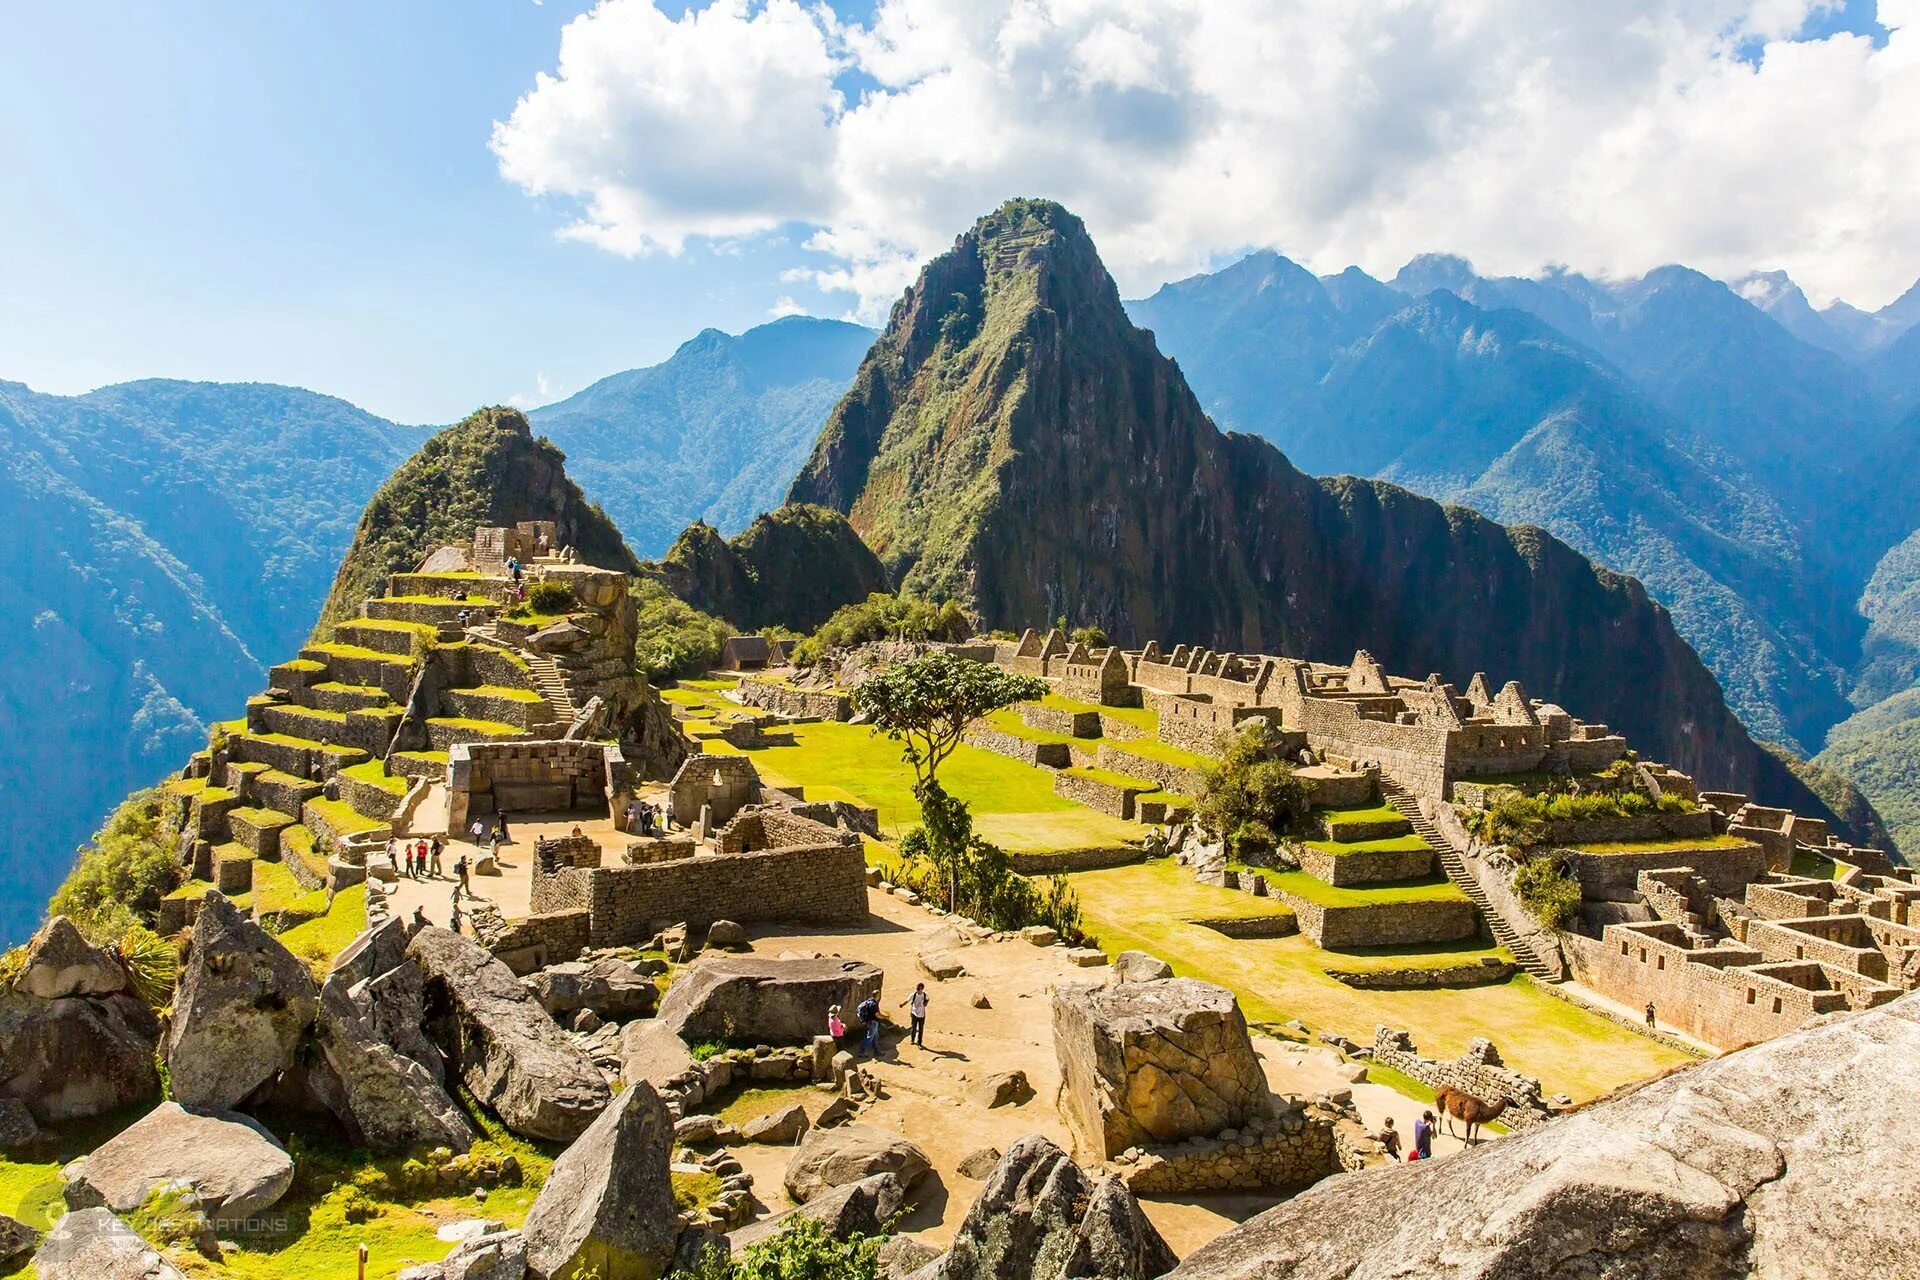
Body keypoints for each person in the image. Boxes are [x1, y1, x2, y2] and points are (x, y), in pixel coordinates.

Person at [899, 983, 929, 1047]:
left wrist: (925, 1003)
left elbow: (928, 999)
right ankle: (912, 1039)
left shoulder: (925, 995)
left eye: (919, 989)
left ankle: (919, 1042)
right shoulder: (913, 995)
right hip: (914, 1013)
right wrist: (902, 1004)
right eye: (917, 989)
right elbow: (907, 1000)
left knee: (921, 1029)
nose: (918, 991)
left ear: (922, 989)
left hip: (922, 1015)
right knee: (913, 1028)